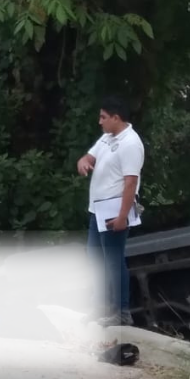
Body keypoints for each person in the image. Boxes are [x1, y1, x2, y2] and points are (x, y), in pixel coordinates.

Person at [76, 96, 145, 326]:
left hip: (115, 210)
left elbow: (130, 183)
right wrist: (84, 162)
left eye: (103, 117)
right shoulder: (108, 137)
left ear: (116, 118)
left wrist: (123, 216)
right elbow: (89, 156)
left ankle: (122, 312)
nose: (100, 121)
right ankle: (101, 306)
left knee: (114, 261)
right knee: (95, 258)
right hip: (97, 209)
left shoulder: (130, 144)